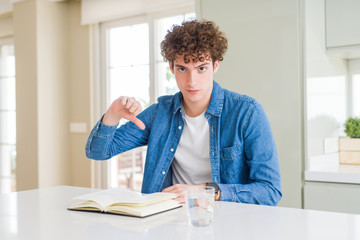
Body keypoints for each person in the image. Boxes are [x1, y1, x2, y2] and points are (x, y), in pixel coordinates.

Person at [85, 19, 282, 205]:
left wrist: (206, 191)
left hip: (228, 222)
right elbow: (98, 152)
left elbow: (270, 190)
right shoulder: (159, 114)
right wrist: (113, 114)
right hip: (168, 220)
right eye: (182, 69)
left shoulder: (246, 113)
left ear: (215, 65)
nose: (191, 81)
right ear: (171, 67)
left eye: (201, 68)